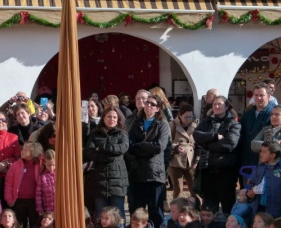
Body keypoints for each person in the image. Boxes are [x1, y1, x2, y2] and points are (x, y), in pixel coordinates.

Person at [127, 94, 170, 228]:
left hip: (155, 174)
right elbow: (129, 146)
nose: (148, 106)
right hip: (137, 173)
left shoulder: (162, 124)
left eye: (152, 104)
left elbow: (159, 147)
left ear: (158, 108)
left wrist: (140, 146)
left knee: (155, 211)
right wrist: (146, 148)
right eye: (147, 103)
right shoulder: (136, 123)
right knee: (137, 211)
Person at [193, 95, 241, 214]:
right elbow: (197, 135)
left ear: (226, 107)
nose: (217, 106)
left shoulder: (234, 123)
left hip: (226, 170)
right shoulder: (206, 121)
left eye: (220, 104)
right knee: (209, 206)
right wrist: (214, 137)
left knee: (227, 206)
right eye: (214, 104)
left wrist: (207, 145)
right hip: (207, 169)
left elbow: (229, 144)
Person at [85, 106, 129, 221]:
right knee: (101, 215)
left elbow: (122, 148)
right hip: (99, 181)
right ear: (103, 118)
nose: (112, 119)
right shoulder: (95, 134)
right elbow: (90, 152)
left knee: (118, 215)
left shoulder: (122, 133)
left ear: (118, 119)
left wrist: (102, 148)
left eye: (114, 117)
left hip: (118, 181)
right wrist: (108, 157)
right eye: (109, 116)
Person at [247, 142, 281, 218]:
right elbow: (251, 184)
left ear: (273, 155)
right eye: (261, 151)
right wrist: (249, 193)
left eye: (264, 152)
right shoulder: (260, 168)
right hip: (260, 209)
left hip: (277, 213)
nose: (261, 154)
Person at [5, 141, 44, 228]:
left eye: (26, 149)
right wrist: (9, 198)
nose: (22, 151)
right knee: (20, 224)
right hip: (19, 201)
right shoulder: (16, 165)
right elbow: (9, 183)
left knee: (35, 224)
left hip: (35, 201)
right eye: (22, 149)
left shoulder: (40, 165)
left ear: (34, 151)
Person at [239, 83, 273, 178]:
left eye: (261, 95)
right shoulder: (247, 114)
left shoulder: (272, 115)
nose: (258, 98)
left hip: (262, 161)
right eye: (256, 95)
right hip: (246, 160)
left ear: (269, 96)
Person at [251, 104, 281, 171]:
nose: (273, 116)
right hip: (264, 168)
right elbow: (253, 144)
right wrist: (274, 143)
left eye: (277, 114)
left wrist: (264, 147)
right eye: (272, 114)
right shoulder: (266, 129)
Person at [168, 103, 199, 198]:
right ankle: (177, 211)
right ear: (180, 115)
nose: (188, 119)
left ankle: (196, 209)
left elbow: (199, 144)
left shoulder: (196, 125)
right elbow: (166, 142)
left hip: (191, 161)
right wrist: (175, 147)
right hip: (175, 161)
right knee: (178, 189)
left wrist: (197, 160)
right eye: (186, 117)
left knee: (195, 188)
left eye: (191, 116)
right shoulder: (172, 125)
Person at [36, 149, 56, 216]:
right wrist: (40, 208)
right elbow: (38, 194)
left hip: (60, 209)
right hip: (48, 210)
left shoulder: (60, 176)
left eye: (53, 165)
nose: (52, 168)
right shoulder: (42, 177)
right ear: (45, 163)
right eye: (49, 165)